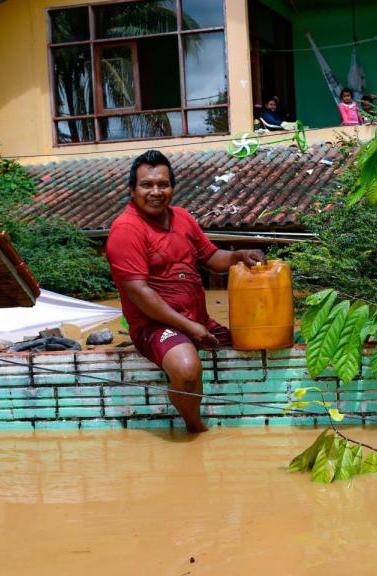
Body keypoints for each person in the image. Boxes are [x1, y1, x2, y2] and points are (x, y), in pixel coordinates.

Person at [105, 150, 264, 433]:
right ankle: (195, 428)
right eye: (147, 185)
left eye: (163, 184)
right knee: (186, 369)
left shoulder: (182, 218)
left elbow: (212, 259)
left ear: (172, 188)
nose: (156, 191)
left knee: (256, 339)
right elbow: (139, 293)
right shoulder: (126, 229)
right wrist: (190, 328)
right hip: (154, 325)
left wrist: (239, 255)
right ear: (132, 189)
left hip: (197, 320)